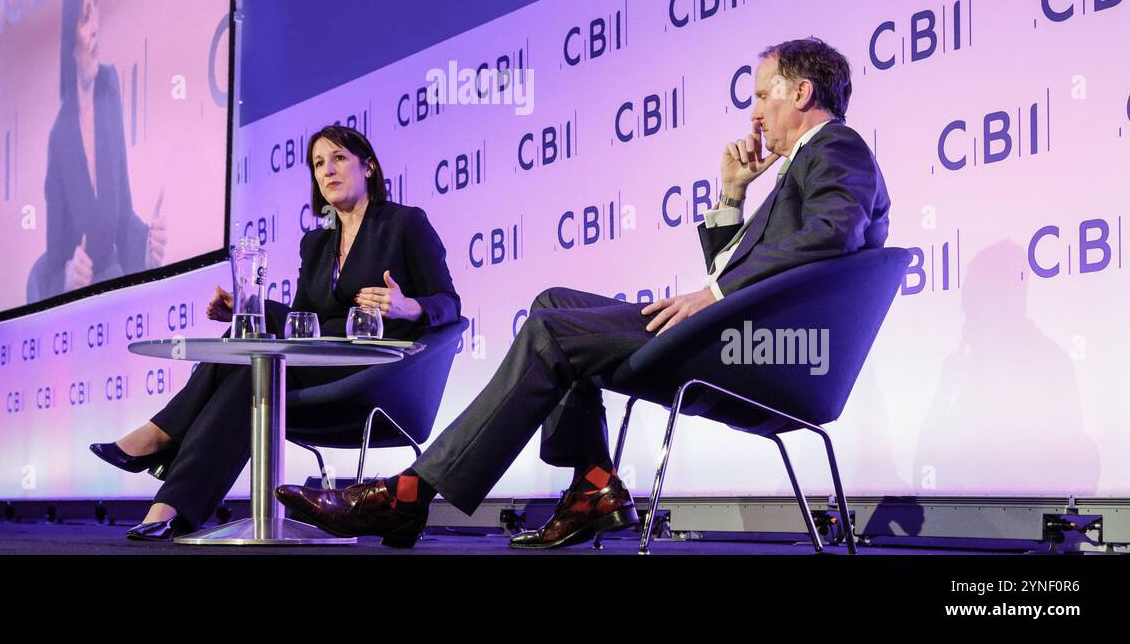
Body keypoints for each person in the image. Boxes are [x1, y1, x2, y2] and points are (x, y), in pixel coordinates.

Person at [276, 37, 891, 549]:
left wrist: (713, 294)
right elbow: (746, 262)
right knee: (551, 304)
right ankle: (594, 481)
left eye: (761, 95)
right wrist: (731, 196)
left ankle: (411, 493)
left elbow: (833, 236)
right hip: (736, 332)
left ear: (802, 92)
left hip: (763, 351)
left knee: (550, 333)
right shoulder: (800, 166)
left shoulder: (836, 146)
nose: (753, 114)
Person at [89, 125, 462, 540]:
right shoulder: (316, 245)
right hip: (320, 365)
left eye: (338, 158)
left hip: (378, 373)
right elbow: (302, 320)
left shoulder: (404, 224)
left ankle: (161, 441)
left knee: (254, 362)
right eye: (319, 164)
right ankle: (172, 506)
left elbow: (449, 302)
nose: (327, 171)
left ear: (369, 167)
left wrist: (411, 307)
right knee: (251, 353)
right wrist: (248, 306)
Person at [39, 0, 167, 300]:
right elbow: (52, 268)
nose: (95, 25)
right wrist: (67, 277)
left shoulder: (108, 89)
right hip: (82, 305)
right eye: (84, 16)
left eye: (96, 7)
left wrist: (146, 246)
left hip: (116, 291)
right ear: (70, 36)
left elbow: (123, 215)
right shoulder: (60, 138)